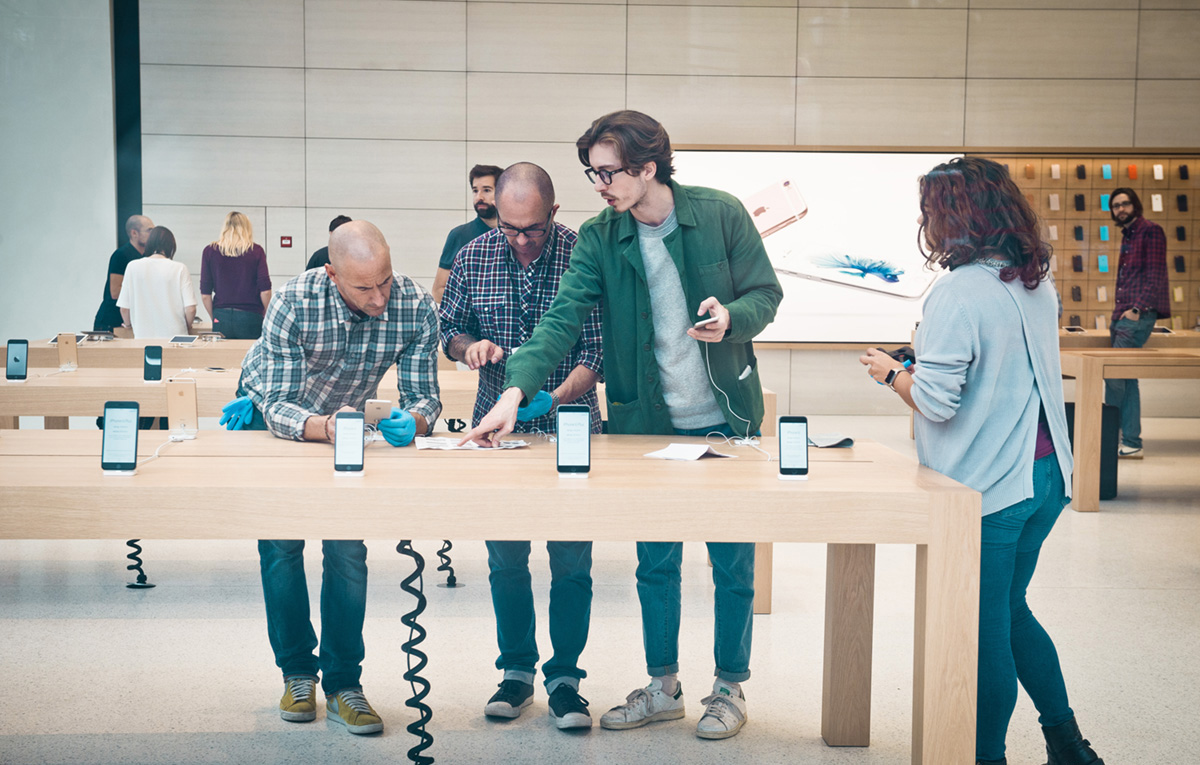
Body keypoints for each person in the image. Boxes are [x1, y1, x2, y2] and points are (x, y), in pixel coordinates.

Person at [461, 110, 782, 740]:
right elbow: (561, 318)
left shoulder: (719, 213)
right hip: (647, 424)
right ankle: (663, 686)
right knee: (655, 561)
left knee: (732, 561)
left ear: (647, 167)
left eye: (607, 172)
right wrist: (516, 388)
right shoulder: (602, 237)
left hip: (724, 419)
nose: (599, 185)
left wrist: (733, 316)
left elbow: (765, 294)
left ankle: (728, 687)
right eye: (592, 173)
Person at [860, 157, 1105, 765]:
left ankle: (985, 757)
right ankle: (1068, 746)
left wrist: (893, 372)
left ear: (950, 216)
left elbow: (938, 404)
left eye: (929, 212)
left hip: (992, 488)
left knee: (984, 631)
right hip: (1044, 478)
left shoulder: (957, 290)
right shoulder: (1030, 281)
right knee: (1011, 609)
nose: (926, 223)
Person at [230, 220, 442, 736]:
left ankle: (345, 682)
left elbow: (426, 398)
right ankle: (297, 674)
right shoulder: (295, 300)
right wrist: (322, 427)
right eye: (364, 287)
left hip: (348, 427)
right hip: (286, 419)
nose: (379, 297)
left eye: (385, 281)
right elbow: (278, 401)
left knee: (347, 549)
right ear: (332, 274)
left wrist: (410, 422)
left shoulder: (414, 305)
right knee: (280, 545)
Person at [438, 162, 603, 730]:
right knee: (506, 559)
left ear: (553, 214)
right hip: (495, 432)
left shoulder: (583, 253)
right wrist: (469, 348)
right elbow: (448, 330)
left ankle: (565, 679)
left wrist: (550, 398)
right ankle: (515, 672)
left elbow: (594, 354)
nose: (521, 240)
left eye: (533, 229)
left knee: (571, 562)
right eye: (510, 228)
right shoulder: (474, 254)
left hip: (571, 426)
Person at [1106, 188, 1169, 459]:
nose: (1121, 209)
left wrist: (1136, 309)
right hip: (1122, 315)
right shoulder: (1129, 235)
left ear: (1136, 205)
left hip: (1135, 316)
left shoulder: (1150, 231)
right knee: (1126, 379)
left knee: (1114, 378)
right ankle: (1130, 441)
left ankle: (1109, 437)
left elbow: (1154, 275)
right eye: (1116, 205)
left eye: (1125, 204)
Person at [431, 164, 502, 302]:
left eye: (486, 190)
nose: (479, 197)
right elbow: (439, 290)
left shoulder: (517, 235)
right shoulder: (459, 235)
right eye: (475, 191)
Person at [200, 211, 272, 339]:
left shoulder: (209, 251)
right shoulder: (256, 251)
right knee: (249, 357)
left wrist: (215, 316)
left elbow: (205, 295)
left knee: (223, 358)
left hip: (221, 316)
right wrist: (266, 313)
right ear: (247, 229)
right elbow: (265, 291)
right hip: (251, 317)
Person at [116, 226, 197, 338]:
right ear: (171, 246)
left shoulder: (132, 266)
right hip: (176, 338)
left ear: (149, 244)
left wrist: (129, 326)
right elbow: (191, 309)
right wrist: (186, 326)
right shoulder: (180, 268)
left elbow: (124, 308)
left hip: (143, 337)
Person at [93, 214, 153, 332]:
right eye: (149, 231)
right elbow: (115, 292)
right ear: (134, 233)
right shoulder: (121, 255)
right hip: (111, 322)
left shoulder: (148, 257)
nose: (153, 235)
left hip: (132, 320)